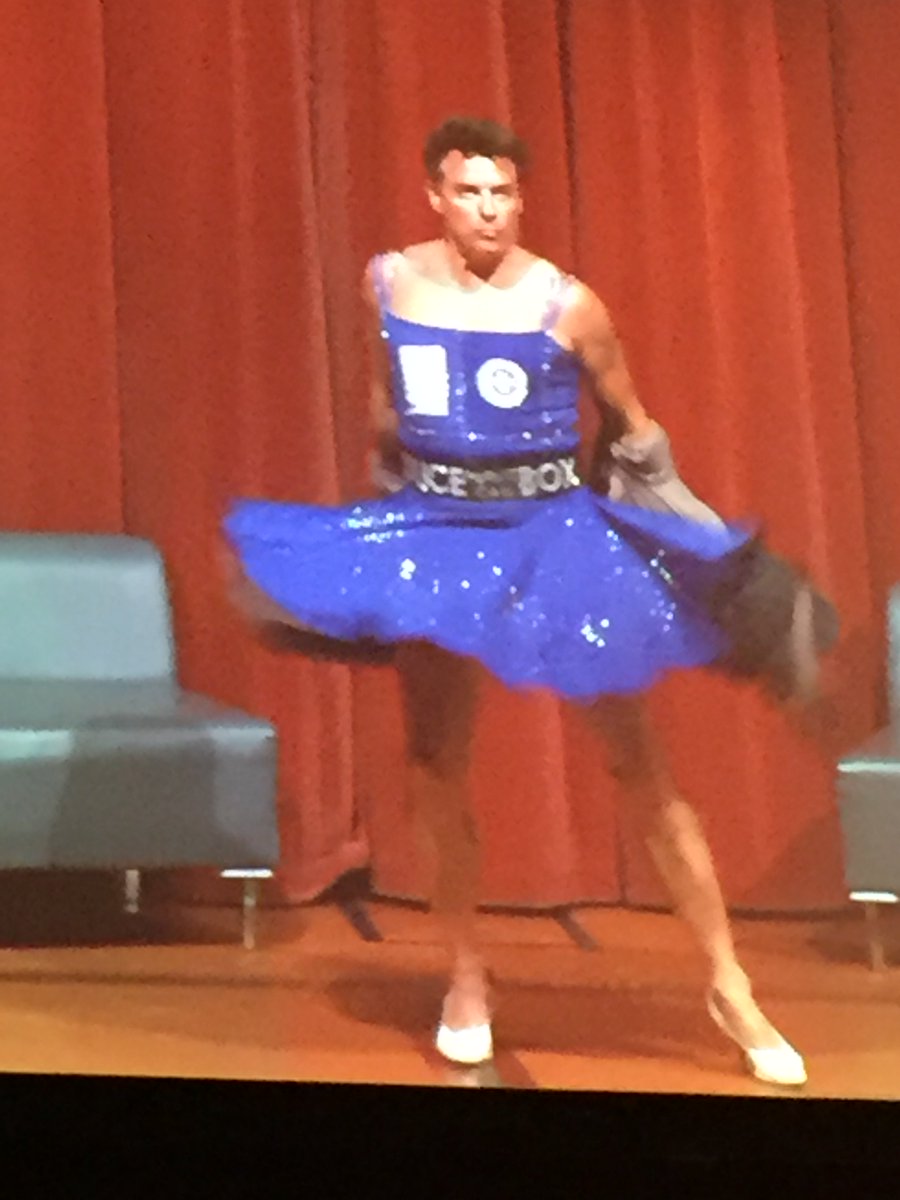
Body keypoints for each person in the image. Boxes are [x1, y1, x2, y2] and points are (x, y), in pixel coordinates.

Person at [223, 116, 837, 1088]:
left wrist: (683, 534)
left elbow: (633, 429)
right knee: (436, 761)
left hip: (554, 537)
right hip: (438, 533)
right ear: (436, 195)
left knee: (641, 768)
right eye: (469, 192)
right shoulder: (390, 283)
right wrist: (394, 532)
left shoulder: (568, 305)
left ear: (520, 200)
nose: (488, 210)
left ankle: (730, 985)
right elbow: (386, 409)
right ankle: (465, 978)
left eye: (503, 193)